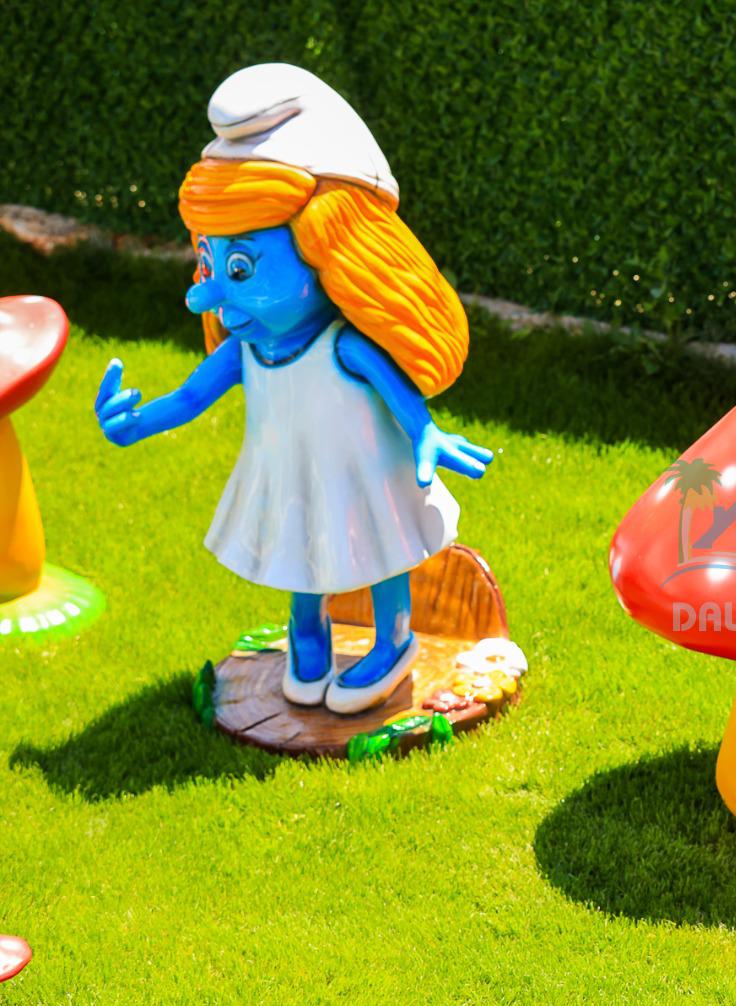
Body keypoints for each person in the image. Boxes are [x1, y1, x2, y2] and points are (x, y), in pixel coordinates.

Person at [95, 63, 492, 714]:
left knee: (384, 552)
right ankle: (307, 634)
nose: (205, 294)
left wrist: (426, 434)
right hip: (290, 478)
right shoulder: (248, 351)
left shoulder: (344, 346)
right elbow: (190, 398)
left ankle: (394, 640)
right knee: (301, 550)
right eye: (209, 263)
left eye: (241, 267)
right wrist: (137, 422)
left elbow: (404, 401)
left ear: (325, 253)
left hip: (366, 476)